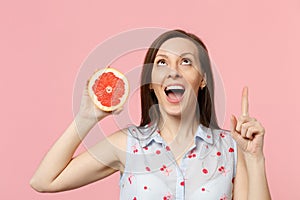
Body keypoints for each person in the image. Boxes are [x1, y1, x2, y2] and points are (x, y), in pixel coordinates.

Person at [30, 29, 271, 199]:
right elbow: (43, 181)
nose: (173, 72)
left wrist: (255, 159)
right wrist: (86, 117)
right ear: (151, 81)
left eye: (186, 62)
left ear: (203, 79)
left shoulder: (230, 147)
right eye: (162, 63)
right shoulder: (129, 144)